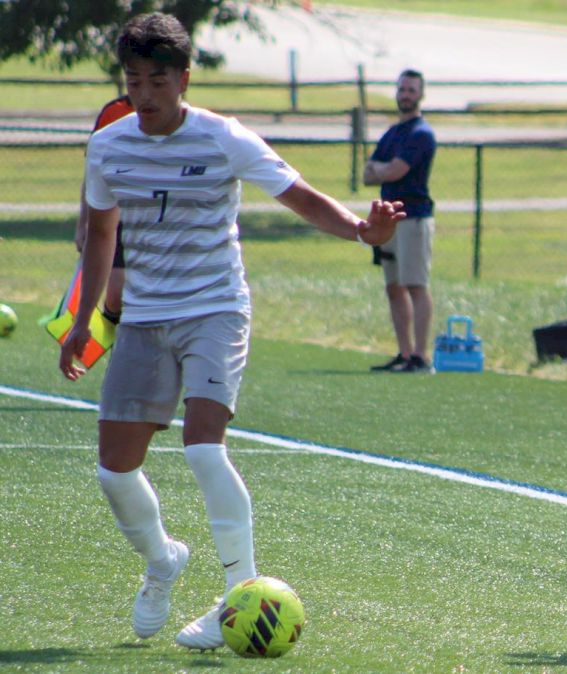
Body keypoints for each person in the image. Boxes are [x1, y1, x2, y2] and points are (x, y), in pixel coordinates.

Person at [60, 13, 404, 650]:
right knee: (114, 471)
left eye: (157, 80)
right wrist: (85, 324)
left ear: (184, 79)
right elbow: (101, 236)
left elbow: (298, 195)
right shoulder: (108, 146)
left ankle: (238, 597)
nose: (144, 94)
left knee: (202, 446)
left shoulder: (223, 137)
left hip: (215, 308)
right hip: (143, 318)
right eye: (133, 79)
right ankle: (163, 559)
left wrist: (363, 230)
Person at [365, 69, 438, 373]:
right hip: (389, 220)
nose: (405, 95)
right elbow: (367, 173)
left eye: (411, 90)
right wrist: (385, 169)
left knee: (415, 285)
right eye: (402, 90)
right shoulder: (393, 133)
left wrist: (384, 169)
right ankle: (404, 353)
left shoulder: (422, 134)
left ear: (420, 94)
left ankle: (421, 356)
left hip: (414, 218)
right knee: (393, 286)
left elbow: (396, 172)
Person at [75, 94, 135, 325]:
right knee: (115, 294)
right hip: (115, 213)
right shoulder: (114, 111)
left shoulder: (174, 118)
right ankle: (114, 351)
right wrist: (83, 224)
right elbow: (93, 174)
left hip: (156, 217)